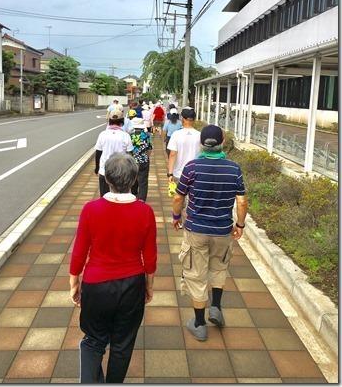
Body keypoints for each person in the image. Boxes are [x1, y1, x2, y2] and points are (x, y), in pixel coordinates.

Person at [70, 153, 157, 383]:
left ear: (107, 179)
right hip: (132, 284)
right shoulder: (145, 212)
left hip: (96, 283)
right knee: (122, 344)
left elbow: (79, 250)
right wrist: (148, 285)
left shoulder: (91, 209)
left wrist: (74, 282)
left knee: (93, 340)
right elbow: (150, 256)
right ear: (134, 179)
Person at [172, 125, 247, 342]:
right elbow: (241, 201)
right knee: (218, 268)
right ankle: (215, 307)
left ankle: (199, 323)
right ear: (222, 141)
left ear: (201, 143)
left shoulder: (192, 167)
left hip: (196, 231)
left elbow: (179, 198)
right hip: (223, 231)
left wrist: (176, 217)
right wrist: (240, 225)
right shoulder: (234, 168)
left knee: (196, 274)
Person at [94, 109, 133, 196]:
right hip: (121, 171)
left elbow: (98, 153)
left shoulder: (103, 134)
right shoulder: (125, 136)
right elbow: (130, 154)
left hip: (104, 170)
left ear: (110, 121)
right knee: (120, 196)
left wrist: (97, 168)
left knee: (104, 196)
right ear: (122, 121)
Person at [167, 107, 201, 183]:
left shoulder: (176, 134)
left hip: (179, 173)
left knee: (179, 194)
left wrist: (170, 173)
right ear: (194, 119)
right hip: (195, 172)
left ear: (182, 118)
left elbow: (173, 154)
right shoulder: (200, 135)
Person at [130, 117, 152, 201]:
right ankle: (142, 199)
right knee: (143, 181)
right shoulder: (147, 135)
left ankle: (134, 194)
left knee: (133, 178)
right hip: (144, 160)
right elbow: (149, 149)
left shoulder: (130, 135)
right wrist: (146, 157)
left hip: (132, 160)